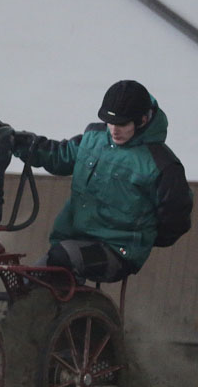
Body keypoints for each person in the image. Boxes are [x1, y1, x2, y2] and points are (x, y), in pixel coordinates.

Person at [12, 80, 192, 282]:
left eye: (122, 124)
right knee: (27, 284)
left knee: (58, 262)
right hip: (72, 242)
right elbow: (59, 156)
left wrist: (142, 239)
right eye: (110, 122)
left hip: (117, 252)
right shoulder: (93, 138)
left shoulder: (162, 165)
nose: (114, 130)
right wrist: (19, 142)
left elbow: (176, 217)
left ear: (142, 120)